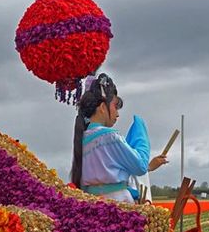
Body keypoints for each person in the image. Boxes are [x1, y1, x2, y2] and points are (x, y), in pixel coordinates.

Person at [71, 72, 167, 202]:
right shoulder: (109, 136)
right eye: (115, 107)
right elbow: (139, 166)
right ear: (103, 107)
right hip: (117, 204)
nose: (117, 114)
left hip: (92, 204)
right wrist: (141, 134)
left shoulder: (83, 139)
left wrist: (149, 167)